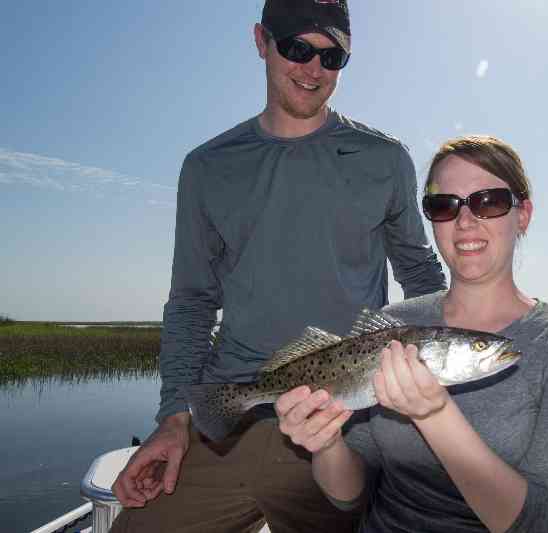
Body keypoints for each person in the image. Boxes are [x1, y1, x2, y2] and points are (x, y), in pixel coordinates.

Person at [110, 1, 446, 532]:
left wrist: (436, 389)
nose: (313, 69)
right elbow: (192, 302)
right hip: (232, 417)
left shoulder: (385, 159)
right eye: (296, 49)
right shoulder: (207, 167)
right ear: (261, 41)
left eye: (332, 57)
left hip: (346, 424)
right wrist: (174, 418)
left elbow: (421, 276)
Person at [277, 135, 548, 533]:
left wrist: (435, 415)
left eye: (488, 201)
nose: (465, 221)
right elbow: (349, 493)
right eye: (444, 206)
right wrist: (326, 445)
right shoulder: (392, 325)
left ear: (522, 214)